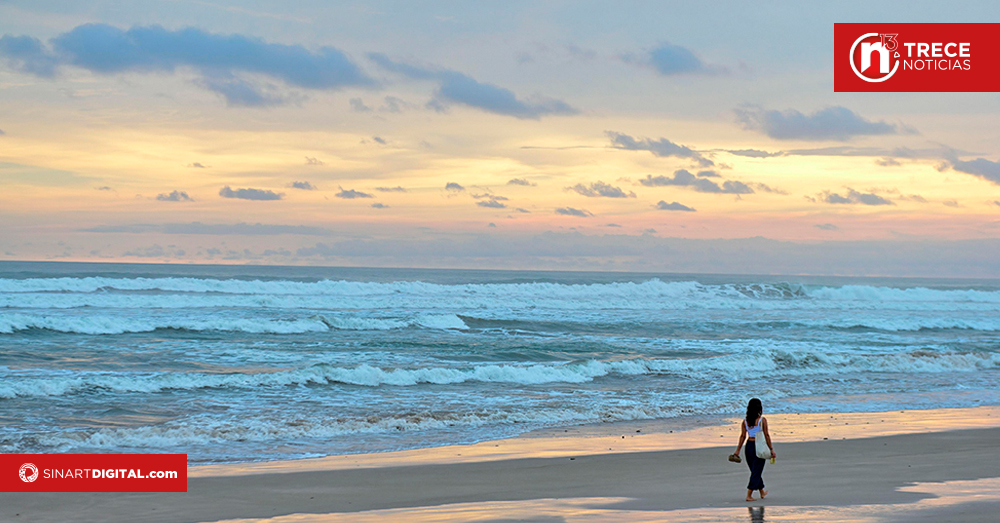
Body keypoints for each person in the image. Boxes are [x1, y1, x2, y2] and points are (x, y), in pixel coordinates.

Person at [730, 398, 775, 501]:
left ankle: (762, 492)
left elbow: (742, 436)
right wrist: (771, 449)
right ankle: (749, 495)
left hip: (749, 446)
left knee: (755, 470)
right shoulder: (762, 420)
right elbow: (766, 435)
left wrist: (738, 450)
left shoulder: (745, 421)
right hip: (758, 446)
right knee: (756, 471)